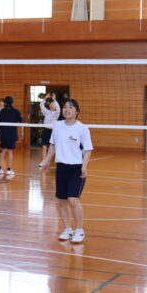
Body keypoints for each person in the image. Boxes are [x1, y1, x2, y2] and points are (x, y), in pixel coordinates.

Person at [39, 99, 93, 244]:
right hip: (61, 167)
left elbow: (88, 149)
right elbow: (52, 145)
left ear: (77, 112)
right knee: (61, 201)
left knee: (73, 200)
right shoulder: (58, 125)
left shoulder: (82, 128)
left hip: (76, 168)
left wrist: (84, 166)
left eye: (70, 107)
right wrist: (46, 161)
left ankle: (79, 230)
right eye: (65, 107)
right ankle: (68, 229)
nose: (66, 109)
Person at [0, 96, 23, 177]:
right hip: (12, 134)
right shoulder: (16, 111)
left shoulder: (2, 111)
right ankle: (9, 169)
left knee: (3, 150)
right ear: (13, 102)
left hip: (4, 134)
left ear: (5, 102)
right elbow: (21, 122)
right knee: (10, 151)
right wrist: (22, 132)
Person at [40, 93, 61, 162]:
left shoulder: (56, 113)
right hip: (46, 130)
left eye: (53, 103)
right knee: (44, 146)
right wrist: (45, 98)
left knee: (53, 147)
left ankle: (53, 160)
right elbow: (41, 105)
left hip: (53, 131)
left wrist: (54, 100)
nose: (51, 104)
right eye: (50, 103)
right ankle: (44, 161)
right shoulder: (46, 112)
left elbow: (58, 108)